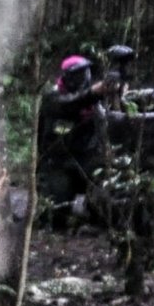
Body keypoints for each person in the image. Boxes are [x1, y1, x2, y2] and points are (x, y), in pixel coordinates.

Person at [37, 54, 111, 220]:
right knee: (55, 214)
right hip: (58, 162)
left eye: (85, 73)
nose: (83, 78)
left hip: (87, 158)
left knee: (102, 206)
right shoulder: (53, 97)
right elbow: (72, 103)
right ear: (67, 77)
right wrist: (95, 93)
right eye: (78, 74)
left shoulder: (93, 99)